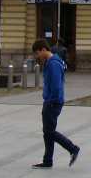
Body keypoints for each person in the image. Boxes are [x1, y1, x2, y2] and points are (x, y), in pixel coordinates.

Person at [31, 39, 80, 169]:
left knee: (49, 132)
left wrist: (51, 100)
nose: (37, 57)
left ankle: (73, 148)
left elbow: (57, 86)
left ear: (43, 49)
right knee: (47, 132)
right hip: (51, 101)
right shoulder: (50, 62)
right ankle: (47, 160)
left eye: (37, 53)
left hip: (53, 102)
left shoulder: (53, 64)